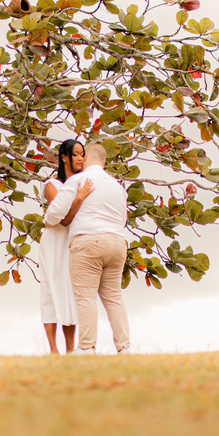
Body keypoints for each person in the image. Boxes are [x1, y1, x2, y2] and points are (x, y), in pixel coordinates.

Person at [44, 142, 131, 355]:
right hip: (117, 242)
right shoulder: (117, 187)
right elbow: (123, 218)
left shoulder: (77, 180)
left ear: (88, 155)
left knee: (85, 297)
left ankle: (87, 347)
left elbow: (52, 215)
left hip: (88, 242)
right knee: (114, 297)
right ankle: (124, 347)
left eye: (83, 154)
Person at [39, 139, 87, 354]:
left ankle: (70, 349)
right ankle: (53, 349)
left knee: (70, 292)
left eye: (82, 154)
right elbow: (60, 216)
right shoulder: (53, 185)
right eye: (76, 154)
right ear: (64, 157)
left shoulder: (84, 184)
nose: (80, 158)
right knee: (50, 291)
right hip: (53, 243)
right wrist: (78, 200)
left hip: (72, 241)